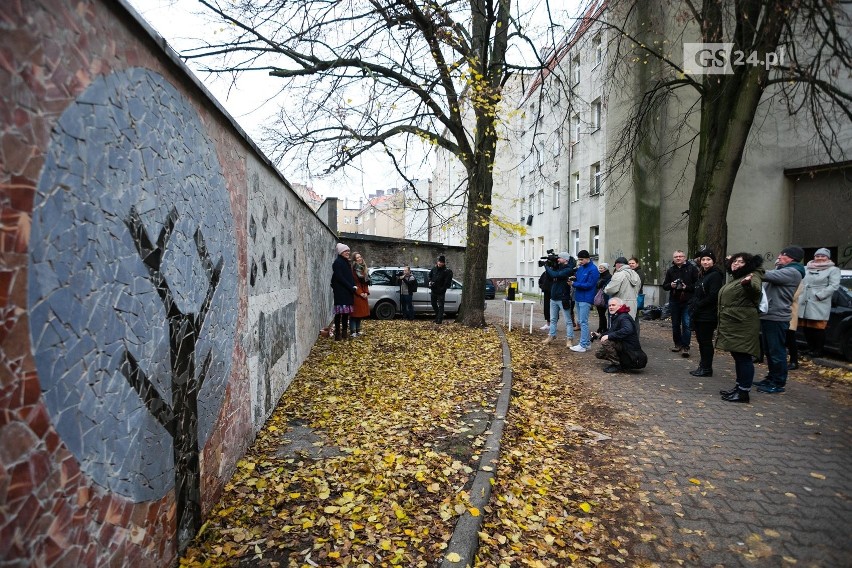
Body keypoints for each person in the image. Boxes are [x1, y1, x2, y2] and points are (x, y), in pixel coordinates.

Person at [754, 246, 805, 394]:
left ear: (790, 257)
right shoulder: (784, 270)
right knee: (770, 351)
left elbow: (765, 275)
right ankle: (771, 377)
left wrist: (751, 266)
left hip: (777, 317)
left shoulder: (792, 272)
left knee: (777, 351)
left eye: (782, 255)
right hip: (769, 315)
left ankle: (778, 382)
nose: (779, 257)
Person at [717, 253, 764, 403]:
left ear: (748, 264)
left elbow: (755, 290)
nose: (736, 264)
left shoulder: (752, 275)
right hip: (736, 324)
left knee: (744, 358)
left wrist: (748, 284)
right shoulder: (737, 278)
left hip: (743, 324)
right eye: (734, 261)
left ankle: (744, 392)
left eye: (741, 262)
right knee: (738, 357)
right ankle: (739, 387)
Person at [797, 247, 841, 358]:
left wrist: (820, 295)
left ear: (828, 257)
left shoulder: (833, 270)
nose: (820, 258)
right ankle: (810, 348)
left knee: (817, 327)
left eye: (823, 256)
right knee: (806, 326)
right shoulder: (806, 268)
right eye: (817, 256)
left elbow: (834, 286)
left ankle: (818, 350)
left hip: (819, 301)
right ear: (814, 257)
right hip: (804, 300)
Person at [689, 250, 724, 377]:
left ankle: (707, 368)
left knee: (706, 342)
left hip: (708, 315)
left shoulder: (715, 275)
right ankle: (703, 366)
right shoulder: (703, 274)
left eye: (708, 260)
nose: (705, 262)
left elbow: (713, 295)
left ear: (713, 261)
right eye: (703, 260)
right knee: (701, 341)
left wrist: (699, 304)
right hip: (699, 313)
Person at [662, 250, 700, 357]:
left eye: (680, 256)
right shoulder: (671, 270)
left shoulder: (692, 269)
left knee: (687, 325)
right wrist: (671, 285)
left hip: (688, 300)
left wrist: (686, 287)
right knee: (675, 325)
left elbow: (697, 285)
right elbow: (665, 286)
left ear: (685, 258)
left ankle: (685, 346)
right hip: (674, 301)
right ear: (673, 258)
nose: (678, 258)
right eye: (676, 257)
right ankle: (677, 344)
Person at [592, 297, 646, 373]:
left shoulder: (623, 317)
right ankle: (621, 362)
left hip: (629, 349)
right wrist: (599, 335)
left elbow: (628, 329)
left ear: (620, 306)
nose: (611, 307)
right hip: (623, 345)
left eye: (613, 305)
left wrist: (609, 336)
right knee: (599, 354)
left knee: (606, 342)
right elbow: (612, 331)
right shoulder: (616, 316)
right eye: (610, 305)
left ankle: (617, 365)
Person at [542, 252, 577, 347]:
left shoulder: (568, 269)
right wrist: (550, 266)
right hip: (553, 298)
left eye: (560, 258)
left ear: (565, 259)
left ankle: (569, 339)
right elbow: (550, 276)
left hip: (563, 298)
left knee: (568, 321)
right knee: (553, 319)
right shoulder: (558, 267)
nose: (558, 260)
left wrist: (546, 266)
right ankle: (551, 335)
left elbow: (555, 275)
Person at [569, 250, 599, 353]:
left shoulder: (593, 269)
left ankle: (583, 345)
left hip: (586, 298)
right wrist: (574, 278)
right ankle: (586, 344)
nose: (580, 261)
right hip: (578, 297)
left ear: (587, 258)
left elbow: (589, 285)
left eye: (581, 259)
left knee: (583, 322)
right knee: (581, 321)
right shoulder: (581, 268)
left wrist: (574, 284)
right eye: (579, 259)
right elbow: (578, 279)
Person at [330, 243, 356, 341]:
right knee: (339, 314)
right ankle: (338, 334)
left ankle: (344, 332)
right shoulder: (337, 263)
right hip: (341, 292)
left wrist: (353, 285)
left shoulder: (346, 262)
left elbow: (349, 276)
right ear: (341, 252)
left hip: (347, 292)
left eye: (348, 251)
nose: (348, 253)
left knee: (346, 313)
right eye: (345, 251)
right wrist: (351, 287)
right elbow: (340, 278)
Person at [349, 251, 370, 337]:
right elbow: (353, 284)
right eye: (357, 258)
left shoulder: (363, 269)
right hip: (356, 294)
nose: (360, 259)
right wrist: (360, 293)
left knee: (360, 314)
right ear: (354, 260)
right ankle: (353, 331)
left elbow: (365, 283)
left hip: (363, 293)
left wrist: (366, 292)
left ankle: (358, 330)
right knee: (354, 314)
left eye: (360, 257)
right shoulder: (353, 270)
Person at [428, 255, 454, 324]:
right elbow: (429, 275)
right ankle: (438, 316)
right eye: (439, 261)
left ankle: (439, 319)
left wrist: (442, 288)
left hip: (441, 291)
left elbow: (447, 282)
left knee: (441, 305)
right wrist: (430, 281)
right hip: (433, 290)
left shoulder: (446, 271)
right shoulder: (434, 269)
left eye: (441, 262)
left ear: (444, 263)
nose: (439, 263)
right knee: (433, 303)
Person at [595, 263, 612, 334]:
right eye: (600, 268)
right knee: (601, 314)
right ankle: (601, 327)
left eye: (602, 268)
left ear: (606, 268)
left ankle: (604, 329)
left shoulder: (609, 276)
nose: (600, 269)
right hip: (600, 296)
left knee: (604, 314)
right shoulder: (600, 276)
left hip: (605, 297)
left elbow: (600, 285)